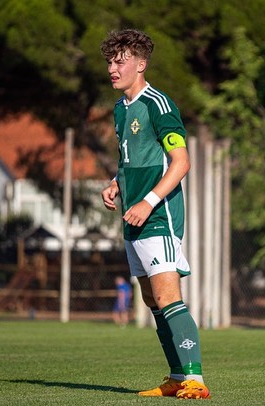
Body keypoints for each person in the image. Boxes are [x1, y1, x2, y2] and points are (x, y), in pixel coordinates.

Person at [100, 29, 210, 399]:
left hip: (158, 214)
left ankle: (195, 378)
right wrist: (116, 183)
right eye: (110, 62)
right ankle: (177, 377)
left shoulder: (158, 105)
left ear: (141, 64)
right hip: (133, 217)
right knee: (151, 301)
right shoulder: (120, 109)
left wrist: (148, 201)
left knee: (167, 297)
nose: (113, 69)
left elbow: (181, 162)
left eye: (121, 61)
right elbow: (130, 159)